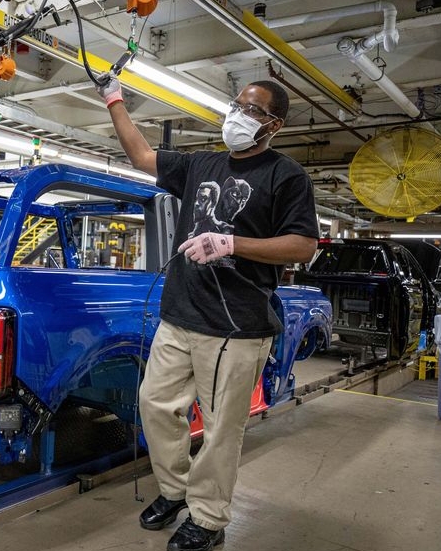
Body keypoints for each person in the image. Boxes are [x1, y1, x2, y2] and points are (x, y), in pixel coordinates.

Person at [98, 78, 319, 550]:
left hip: (235, 327)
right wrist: (114, 99)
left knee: (221, 430)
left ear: (272, 125)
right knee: (155, 406)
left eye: (251, 110)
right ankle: (176, 491)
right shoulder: (200, 163)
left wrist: (231, 243)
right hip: (179, 316)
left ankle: (209, 517)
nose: (236, 115)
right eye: (236, 104)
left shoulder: (286, 176)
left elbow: (302, 245)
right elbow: (140, 156)